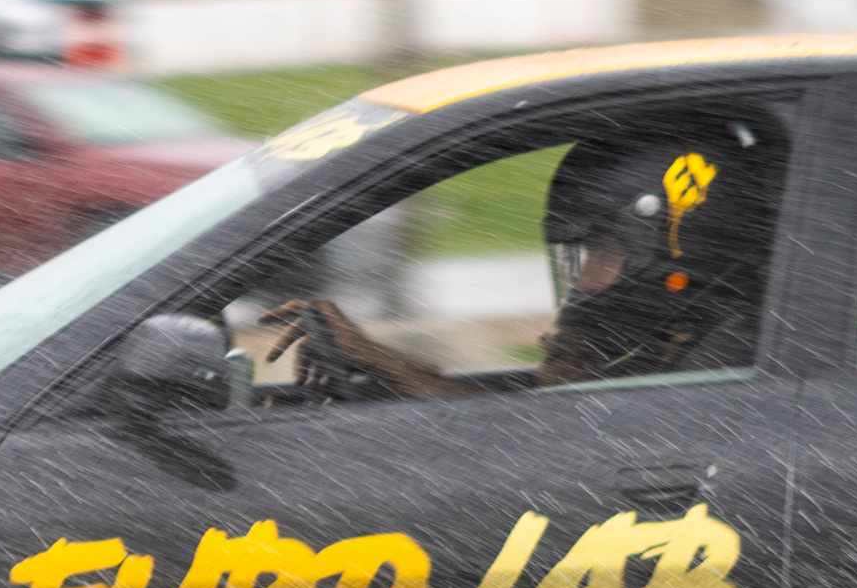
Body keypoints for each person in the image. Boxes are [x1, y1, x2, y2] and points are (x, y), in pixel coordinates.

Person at [281, 118, 783, 399]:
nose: (582, 280)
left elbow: (538, 447)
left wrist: (383, 362)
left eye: (602, 253)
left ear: (679, 248)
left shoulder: (724, 364)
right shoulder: (679, 343)